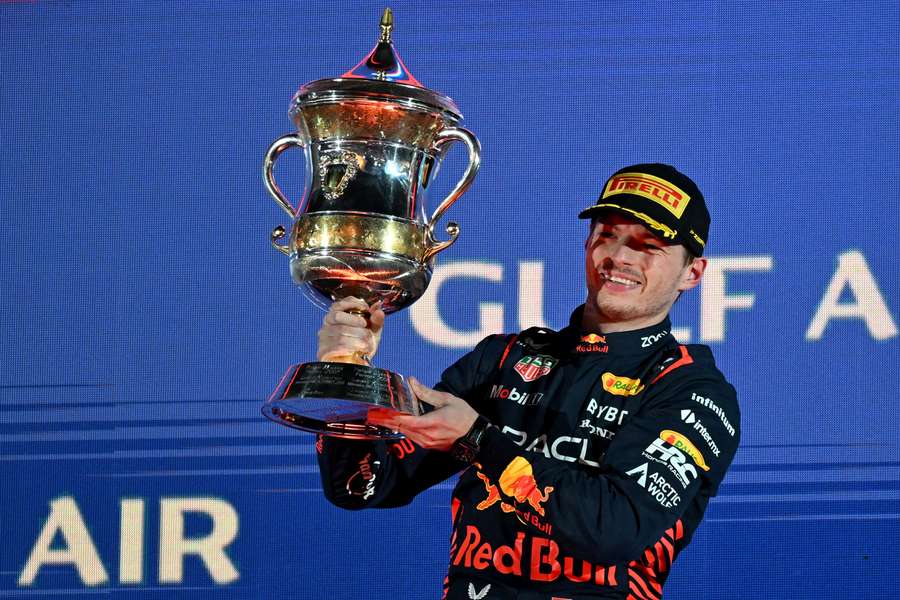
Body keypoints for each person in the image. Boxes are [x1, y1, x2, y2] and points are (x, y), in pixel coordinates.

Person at [314, 163, 741, 600]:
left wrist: (480, 439)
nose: (620, 257)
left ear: (692, 273)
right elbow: (363, 485)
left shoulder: (692, 392)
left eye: (648, 245)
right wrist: (346, 367)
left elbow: (612, 529)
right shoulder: (503, 359)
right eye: (607, 234)